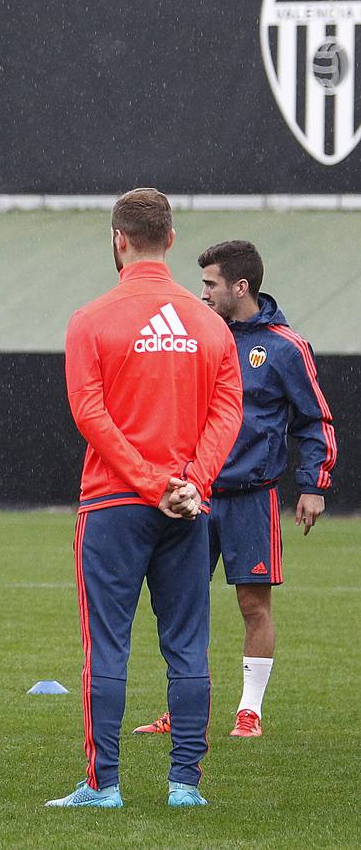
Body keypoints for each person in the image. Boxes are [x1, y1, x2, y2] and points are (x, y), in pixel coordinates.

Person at [49, 188, 244, 809]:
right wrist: (191, 480)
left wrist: (147, 480)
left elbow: (90, 413)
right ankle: (185, 785)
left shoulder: (91, 319)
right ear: (173, 241)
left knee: (106, 645)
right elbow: (227, 410)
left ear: (118, 239)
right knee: (187, 645)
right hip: (187, 505)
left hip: (113, 504)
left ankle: (103, 785)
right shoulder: (209, 321)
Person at [134, 241, 336, 739]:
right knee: (183, 604)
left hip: (253, 496)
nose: (201, 293)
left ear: (240, 287)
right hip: (194, 496)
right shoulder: (197, 336)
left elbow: (316, 419)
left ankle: (250, 711)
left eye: (210, 284)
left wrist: (313, 485)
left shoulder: (286, 347)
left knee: (252, 604)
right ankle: (183, 709)